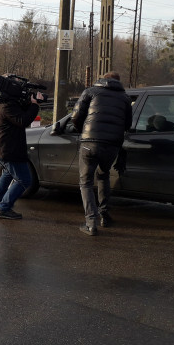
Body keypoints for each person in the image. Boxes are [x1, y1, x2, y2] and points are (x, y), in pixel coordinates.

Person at [70, 71, 132, 236]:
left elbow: (75, 116)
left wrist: (82, 130)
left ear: (103, 79)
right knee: (103, 175)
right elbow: (128, 124)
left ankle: (91, 223)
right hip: (112, 146)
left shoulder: (90, 92)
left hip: (89, 143)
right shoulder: (125, 98)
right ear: (118, 82)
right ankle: (104, 214)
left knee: (86, 183)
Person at [0, 77, 43, 220]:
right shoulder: (7, 106)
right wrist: (35, 105)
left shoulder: (0, 102)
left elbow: (18, 114)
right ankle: (3, 208)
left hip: (0, 146)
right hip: (7, 149)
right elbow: (22, 120)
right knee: (24, 179)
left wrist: (28, 103)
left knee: (8, 172)